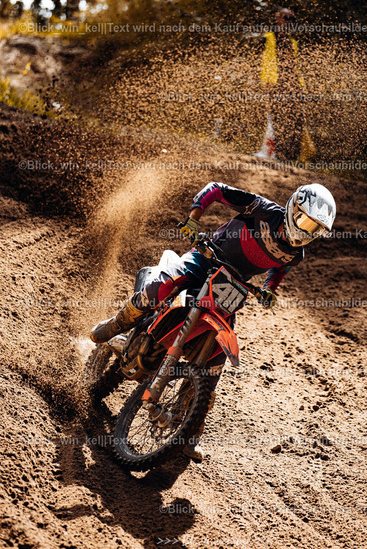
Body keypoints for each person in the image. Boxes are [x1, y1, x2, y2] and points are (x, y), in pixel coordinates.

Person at [90, 182, 336, 460]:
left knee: (217, 358)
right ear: (294, 208)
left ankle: (190, 427)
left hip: (234, 284)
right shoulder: (264, 210)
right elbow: (216, 190)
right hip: (205, 259)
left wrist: (269, 288)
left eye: (315, 229)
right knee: (161, 287)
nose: (307, 231)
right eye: (305, 222)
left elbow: (280, 269)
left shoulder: (296, 254)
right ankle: (117, 323)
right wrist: (193, 219)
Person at [260, 7, 316, 162]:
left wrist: (300, 86)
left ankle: (291, 157)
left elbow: (295, 66)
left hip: (293, 87)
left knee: (295, 121)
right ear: (277, 19)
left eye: (292, 19)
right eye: (286, 18)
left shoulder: (293, 43)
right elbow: (262, 62)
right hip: (274, 85)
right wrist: (265, 82)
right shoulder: (267, 38)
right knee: (276, 120)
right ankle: (273, 154)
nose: (289, 22)